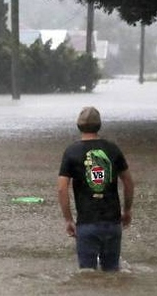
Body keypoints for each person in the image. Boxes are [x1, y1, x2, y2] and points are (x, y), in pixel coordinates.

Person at [57, 106, 135, 272]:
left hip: (86, 223)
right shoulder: (113, 149)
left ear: (78, 126)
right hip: (112, 222)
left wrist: (68, 219)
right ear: (99, 125)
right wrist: (127, 210)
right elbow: (128, 182)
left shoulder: (71, 152)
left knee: (87, 275)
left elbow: (62, 189)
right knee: (113, 273)